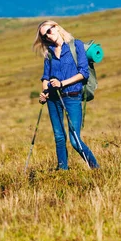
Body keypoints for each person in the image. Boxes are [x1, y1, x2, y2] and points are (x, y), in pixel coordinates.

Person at [33, 20, 100, 170]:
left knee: (75, 139)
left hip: (72, 96)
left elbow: (83, 73)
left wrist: (62, 83)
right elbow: (45, 76)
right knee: (59, 137)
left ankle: (95, 168)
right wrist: (45, 92)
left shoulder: (76, 46)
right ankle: (62, 170)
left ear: (56, 27)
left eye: (49, 32)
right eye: (44, 36)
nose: (48, 37)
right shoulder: (48, 53)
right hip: (54, 98)